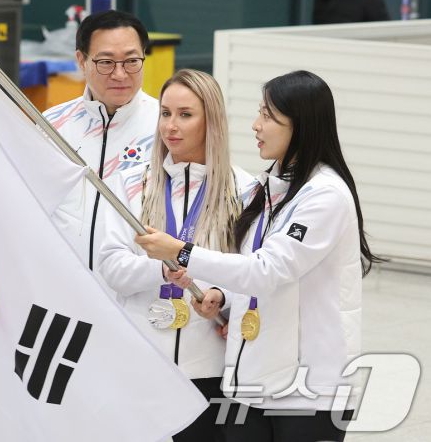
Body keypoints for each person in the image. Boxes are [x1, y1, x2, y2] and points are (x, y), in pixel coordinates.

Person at [137, 70, 378, 441]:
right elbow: (253, 267)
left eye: (268, 116)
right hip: (252, 375)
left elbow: (268, 270)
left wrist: (181, 252)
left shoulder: (325, 195)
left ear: (301, 126)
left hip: (308, 386)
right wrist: (225, 298)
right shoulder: (270, 187)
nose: (256, 125)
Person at [99, 69, 253, 442]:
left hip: (208, 368)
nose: (171, 125)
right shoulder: (133, 180)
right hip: (141, 359)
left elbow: (251, 276)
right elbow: (112, 267)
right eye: (165, 113)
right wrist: (165, 271)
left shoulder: (244, 190)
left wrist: (222, 297)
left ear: (211, 121)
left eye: (185, 114)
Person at [43, 10, 158, 271]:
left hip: (134, 289)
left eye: (131, 61)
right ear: (81, 61)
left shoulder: (167, 129)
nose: (120, 74)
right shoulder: (51, 125)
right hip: (64, 281)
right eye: (106, 62)